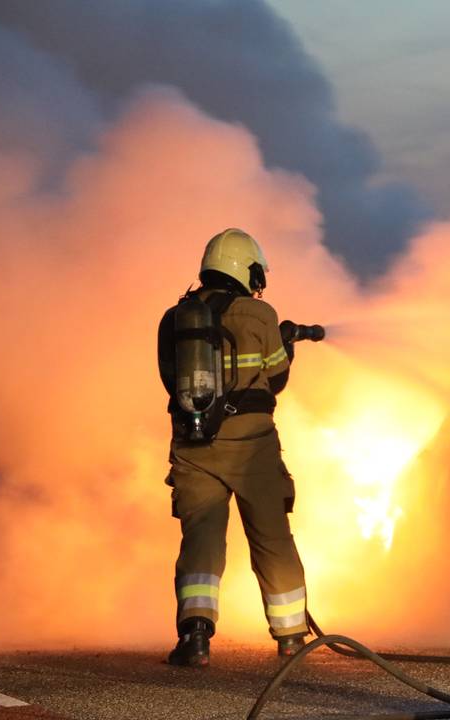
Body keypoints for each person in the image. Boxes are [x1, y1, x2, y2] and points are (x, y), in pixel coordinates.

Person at [157, 228, 309, 666]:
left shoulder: (174, 318)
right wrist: (283, 346)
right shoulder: (259, 316)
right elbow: (276, 379)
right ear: (247, 269)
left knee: (201, 542)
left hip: (193, 445)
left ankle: (196, 638)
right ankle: (291, 637)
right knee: (271, 538)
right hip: (252, 447)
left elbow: (170, 379)